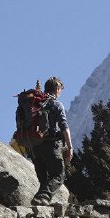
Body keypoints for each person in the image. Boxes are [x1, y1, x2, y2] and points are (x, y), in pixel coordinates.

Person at [31, 76, 73, 206]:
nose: (60, 92)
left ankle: (40, 206)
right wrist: (70, 147)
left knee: (44, 180)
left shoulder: (35, 103)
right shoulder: (56, 104)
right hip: (50, 144)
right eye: (60, 89)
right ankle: (42, 198)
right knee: (58, 175)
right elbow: (64, 127)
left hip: (33, 146)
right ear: (57, 89)